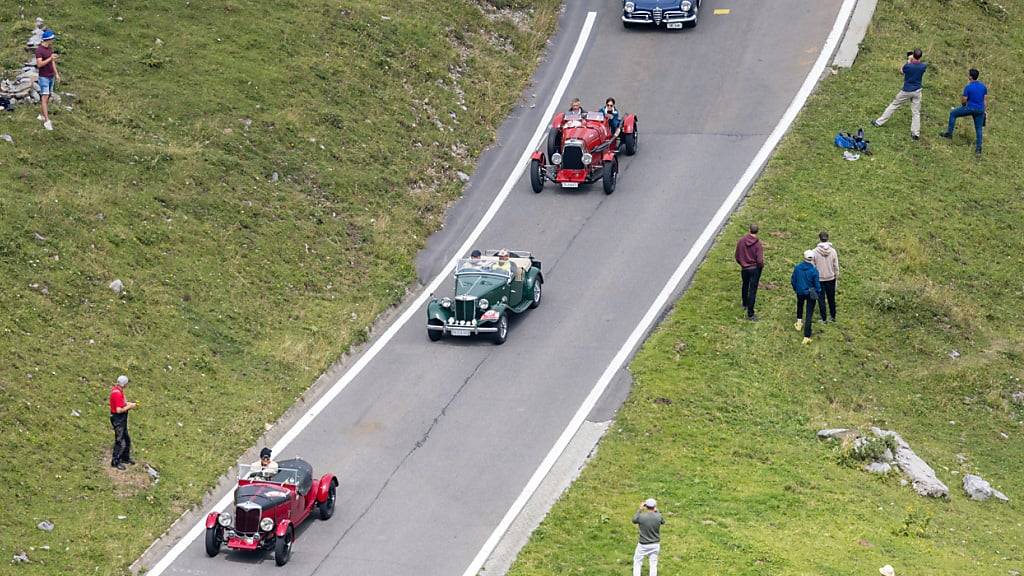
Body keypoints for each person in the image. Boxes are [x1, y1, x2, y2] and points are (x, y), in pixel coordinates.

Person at [872, 49, 927, 140]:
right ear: (920, 56)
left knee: (894, 105)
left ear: (913, 55)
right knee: (916, 112)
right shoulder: (923, 66)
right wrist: (912, 61)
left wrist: (909, 61)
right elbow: (918, 65)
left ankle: (879, 122)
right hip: (917, 91)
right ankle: (915, 133)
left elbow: (901, 71)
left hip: (906, 91)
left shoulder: (908, 66)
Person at [940, 68, 988, 156]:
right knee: (979, 129)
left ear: (970, 77)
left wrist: (964, 105)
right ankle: (978, 149)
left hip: (970, 108)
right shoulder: (983, 87)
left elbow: (964, 100)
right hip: (980, 109)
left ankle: (949, 133)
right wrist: (984, 111)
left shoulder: (968, 87)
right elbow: (985, 100)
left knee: (953, 113)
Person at [791, 250, 822, 344]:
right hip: (810, 293)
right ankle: (806, 336)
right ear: (812, 259)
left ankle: (799, 323)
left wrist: (796, 288)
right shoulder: (814, 270)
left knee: (800, 305)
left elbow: (793, 280)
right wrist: (818, 292)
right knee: (809, 314)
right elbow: (817, 285)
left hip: (800, 291)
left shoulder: (797, 268)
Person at [734, 224, 764, 321]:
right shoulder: (758, 244)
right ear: (757, 231)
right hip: (754, 269)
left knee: (745, 285)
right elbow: (759, 260)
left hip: (744, 268)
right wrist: (760, 267)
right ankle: (750, 313)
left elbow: (737, 255)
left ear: (749, 230)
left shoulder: (741, 241)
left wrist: (742, 263)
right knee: (752, 290)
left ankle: (745, 303)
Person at [109, 374, 137, 470]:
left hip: (122, 419)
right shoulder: (117, 393)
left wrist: (128, 404)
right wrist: (130, 406)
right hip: (118, 419)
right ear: (124, 384)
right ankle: (115, 461)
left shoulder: (118, 390)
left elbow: (121, 403)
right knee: (120, 441)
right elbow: (118, 410)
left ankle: (125, 458)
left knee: (127, 439)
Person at [34, 29, 60, 131]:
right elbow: (39, 64)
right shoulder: (39, 50)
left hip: (51, 76)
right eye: (52, 39)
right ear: (47, 39)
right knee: (45, 97)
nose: (53, 40)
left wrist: (56, 74)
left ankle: (42, 115)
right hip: (43, 77)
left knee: (47, 96)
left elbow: (52, 62)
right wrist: (50, 58)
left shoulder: (49, 48)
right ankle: (47, 121)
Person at [812, 231, 839, 324]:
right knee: (831, 298)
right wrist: (836, 277)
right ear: (828, 238)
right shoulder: (833, 251)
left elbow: (813, 267)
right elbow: (836, 266)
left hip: (820, 279)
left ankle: (823, 319)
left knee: (821, 299)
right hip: (831, 278)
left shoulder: (814, 251)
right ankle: (833, 316)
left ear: (819, 238)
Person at [632, 498, 664, 576]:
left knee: (637, 562)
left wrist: (639, 509)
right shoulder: (658, 516)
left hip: (643, 544)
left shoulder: (641, 516)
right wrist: (657, 511)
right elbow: (663, 521)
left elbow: (634, 520)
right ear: (655, 506)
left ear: (646, 506)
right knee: (653, 564)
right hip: (655, 544)